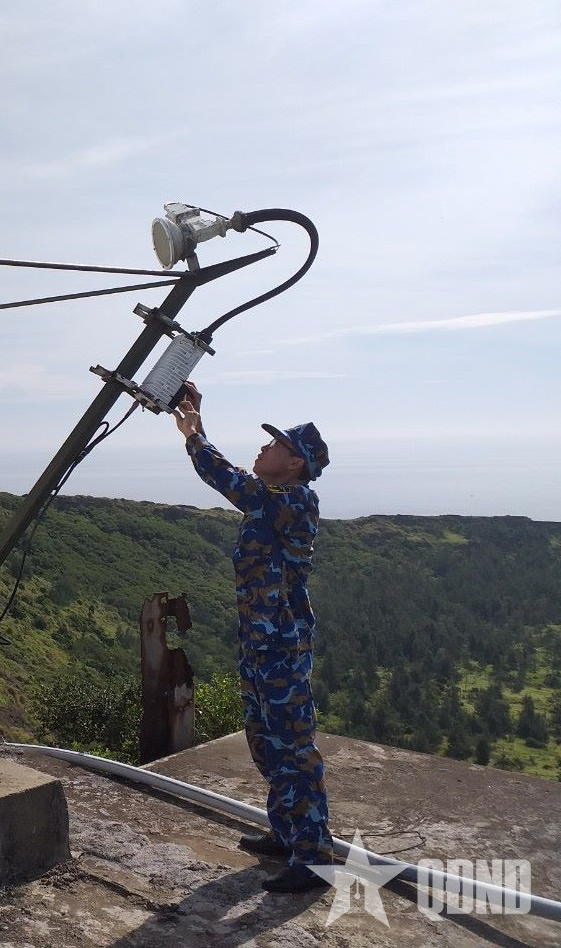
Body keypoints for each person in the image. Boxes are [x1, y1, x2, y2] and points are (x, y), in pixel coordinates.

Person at [172, 381, 334, 893]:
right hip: (262, 644)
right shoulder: (272, 501)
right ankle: (286, 833)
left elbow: (229, 479)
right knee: (265, 743)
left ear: (295, 464)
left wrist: (195, 431)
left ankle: (314, 856)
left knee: (294, 747)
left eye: (276, 445)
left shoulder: (292, 501)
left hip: (282, 646)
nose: (264, 446)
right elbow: (239, 484)